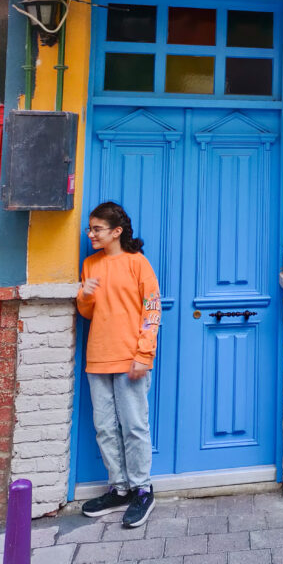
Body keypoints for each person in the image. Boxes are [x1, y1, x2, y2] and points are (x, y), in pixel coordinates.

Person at [76, 202, 161, 528]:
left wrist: (144, 355)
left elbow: (152, 311)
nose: (91, 234)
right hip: (98, 357)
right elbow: (87, 312)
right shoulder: (90, 264)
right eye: (90, 228)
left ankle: (142, 489)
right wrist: (84, 294)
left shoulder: (138, 264)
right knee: (106, 428)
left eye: (97, 229)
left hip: (131, 359)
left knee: (134, 426)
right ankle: (120, 488)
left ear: (116, 231)